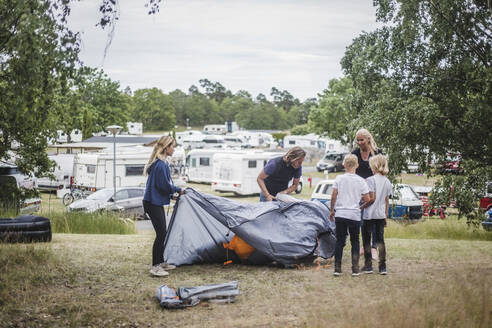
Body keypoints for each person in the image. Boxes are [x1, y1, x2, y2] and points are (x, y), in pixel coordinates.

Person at [143, 136, 184, 277]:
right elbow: (164, 186)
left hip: (154, 201)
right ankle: (155, 267)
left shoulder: (160, 163)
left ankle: (161, 262)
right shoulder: (161, 165)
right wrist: (179, 190)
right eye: (173, 146)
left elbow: (159, 187)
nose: (174, 149)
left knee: (163, 233)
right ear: (166, 148)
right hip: (152, 203)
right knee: (161, 234)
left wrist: (171, 196)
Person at [329, 154, 370, 276]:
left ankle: (337, 269)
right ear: (357, 165)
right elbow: (367, 198)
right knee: (355, 241)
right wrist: (359, 204)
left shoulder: (339, 179)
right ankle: (355, 269)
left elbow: (333, 195)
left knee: (340, 241)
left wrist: (332, 210)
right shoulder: (361, 181)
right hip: (354, 215)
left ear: (344, 165)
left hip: (341, 213)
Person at [352, 128, 382, 259]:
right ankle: (365, 246)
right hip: (360, 192)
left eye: (361, 140)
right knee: (362, 220)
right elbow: (351, 170)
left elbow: (382, 171)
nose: (359, 142)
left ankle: (374, 247)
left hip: (374, 191)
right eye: (357, 140)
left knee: (374, 220)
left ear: (368, 139)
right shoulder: (355, 154)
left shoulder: (377, 153)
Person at [361, 154, 392, 275]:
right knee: (380, 241)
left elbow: (370, 199)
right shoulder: (388, 182)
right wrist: (386, 216)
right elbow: (386, 200)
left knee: (367, 240)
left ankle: (368, 266)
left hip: (369, 215)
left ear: (374, 165)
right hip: (380, 215)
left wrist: (361, 207)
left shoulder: (370, 180)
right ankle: (382, 267)